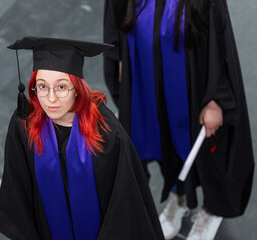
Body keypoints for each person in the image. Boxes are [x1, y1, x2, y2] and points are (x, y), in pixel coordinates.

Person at [103, 0, 254, 239]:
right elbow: (116, 23)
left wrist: (216, 99)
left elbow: (219, 41)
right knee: (165, 142)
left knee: (206, 150)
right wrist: (122, 69)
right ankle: (178, 195)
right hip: (148, 81)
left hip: (194, 85)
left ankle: (211, 209)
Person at [0, 36, 164, 240]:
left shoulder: (109, 136)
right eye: (42, 86)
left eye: (61, 87)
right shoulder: (24, 124)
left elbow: (125, 207)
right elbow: (17, 187)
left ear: (78, 90)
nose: (51, 98)